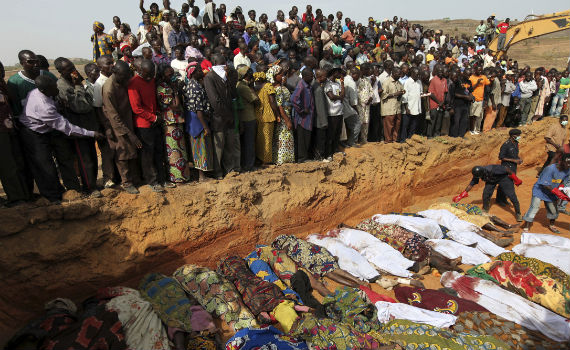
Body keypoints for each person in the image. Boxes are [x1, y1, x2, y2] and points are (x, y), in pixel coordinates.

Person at [18, 76, 102, 202]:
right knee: (44, 165)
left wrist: (58, 103)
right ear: (44, 90)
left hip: (47, 129)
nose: (57, 89)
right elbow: (67, 128)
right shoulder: (44, 107)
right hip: (33, 133)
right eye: (53, 88)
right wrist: (91, 134)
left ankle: (73, 190)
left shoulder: (37, 93)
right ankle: (53, 196)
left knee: (65, 158)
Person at [54, 57, 101, 197]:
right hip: (77, 129)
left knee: (92, 157)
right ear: (61, 71)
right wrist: (79, 86)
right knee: (84, 159)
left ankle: (92, 183)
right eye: (69, 69)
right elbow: (81, 106)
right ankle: (89, 187)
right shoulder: (62, 86)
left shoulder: (74, 82)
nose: (73, 70)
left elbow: (88, 102)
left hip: (87, 126)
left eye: (73, 67)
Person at [128, 59, 167, 192]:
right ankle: (152, 181)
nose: (150, 76)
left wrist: (156, 114)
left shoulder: (150, 80)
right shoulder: (134, 83)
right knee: (147, 154)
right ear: (140, 71)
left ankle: (162, 178)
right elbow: (136, 108)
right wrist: (153, 117)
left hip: (155, 121)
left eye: (152, 73)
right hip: (143, 124)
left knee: (158, 151)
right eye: (148, 74)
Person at [102, 61, 141, 195]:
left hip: (127, 119)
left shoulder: (122, 81)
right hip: (116, 125)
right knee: (122, 153)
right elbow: (113, 116)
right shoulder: (109, 89)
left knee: (131, 150)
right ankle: (126, 182)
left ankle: (134, 178)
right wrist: (129, 133)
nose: (127, 79)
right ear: (116, 73)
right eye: (125, 77)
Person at [0, 61, 32, 206]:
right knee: (7, 165)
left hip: (10, 128)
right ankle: (16, 198)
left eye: (1, 69)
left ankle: (24, 194)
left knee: (18, 162)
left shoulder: (3, 86)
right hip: (1, 131)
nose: (2, 73)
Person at [204, 54, 240, 178]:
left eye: (224, 63)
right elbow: (215, 101)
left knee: (230, 145)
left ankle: (230, 170)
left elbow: (233, 94)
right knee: (218, 148)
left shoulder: (226, 76)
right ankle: (218, 172)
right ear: (214, 62)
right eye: (221, 63)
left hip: (229, 118)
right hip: (219, 118)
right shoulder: (210, 78)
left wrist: (229, 78)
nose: (223, 66)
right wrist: (227, 115)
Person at [453, 164, 522, 221]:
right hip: (491, 180)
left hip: (503, 178)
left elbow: (507, 169)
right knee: (486, 194)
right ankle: (485, 208)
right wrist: (462, 194)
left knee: (511, 195)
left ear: (483, 172)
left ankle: (518, 213)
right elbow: (471, 184)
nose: (479, 178)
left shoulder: (494, 169)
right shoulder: (478, 173)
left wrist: (516, 179)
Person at [521, 153, 570, 233]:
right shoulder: (550, 169)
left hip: (552, 192)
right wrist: (557, 192)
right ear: (561, 161)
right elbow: (544, 184)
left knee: (553, 209)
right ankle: (526, 226)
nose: (568, 165)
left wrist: (562, 192)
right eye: (567, 163)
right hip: (540, 190)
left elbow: (563, 183)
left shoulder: (568, 170)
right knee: (534, 207)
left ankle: (552, 225)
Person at [157, 64, 189, 183]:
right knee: (174, 152)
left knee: (180, 150)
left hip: (176, 121)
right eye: (169, 75)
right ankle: (176, 177)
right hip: (170, 122)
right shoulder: (163, 88)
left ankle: (183, 176)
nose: (172, 77)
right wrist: (176, 91)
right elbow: (175, 106)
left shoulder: (168, 86)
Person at [185, 61, 215, 182]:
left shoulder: (195, 84)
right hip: (197, 121)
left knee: (200, 147)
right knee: (199, 148)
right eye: (198, 70)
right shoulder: (194, 87)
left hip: (197, 119)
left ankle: (204, 174)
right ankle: (201, 176)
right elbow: (198, 110)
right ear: (193, 73)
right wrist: (205, 126)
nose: (200, 72)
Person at [92, 56, 119, 189]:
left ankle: (117, 176)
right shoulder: (99, 84)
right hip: (107, 122)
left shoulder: (114, 78)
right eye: (108, 63)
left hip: (116, 120)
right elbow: (98, 108)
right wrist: (106, 127)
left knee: (118, 150)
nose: (111, 65)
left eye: (112, 62)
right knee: (108, 152)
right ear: (100, 67)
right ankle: (108, 178)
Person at [236, 66, 259, 172]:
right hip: (248, 118)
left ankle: (245, 164)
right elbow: (256, 101)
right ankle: (249, 165)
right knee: (249, 143)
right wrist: (252, 88)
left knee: (244, 143)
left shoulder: (238, 85)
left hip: (243, 118)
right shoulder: (244, 87)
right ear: (246, 75)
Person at [271, 64, 295, 165]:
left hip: (287, 113)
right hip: (284, 115)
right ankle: (282, 160)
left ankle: (287, 159)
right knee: (283, 137)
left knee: (286, 137)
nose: (283, 76)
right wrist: (287, 120)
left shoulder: (281, 87)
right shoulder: (278, 89)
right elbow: (279, 106)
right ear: (274, 76)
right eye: (280, 74)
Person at [291, 68, 314, 163]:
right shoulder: (301, 86)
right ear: (304, 77)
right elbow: (294, 99)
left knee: (307, 137)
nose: (312, 78)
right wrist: (302, 110)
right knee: (302, 139)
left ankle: (304, 157)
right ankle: (301, 158)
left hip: (308, 117)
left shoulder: (308, 85)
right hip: (302, 118)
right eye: (310, 76)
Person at [324, 67, 345, 160]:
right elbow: (331, 96)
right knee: (331, 134)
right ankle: (329, 153)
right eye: (338, 73)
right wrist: (339, 97)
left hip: (339, 111)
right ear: (334, 72)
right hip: (332, 112)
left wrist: (342, 83)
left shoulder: (337, 83)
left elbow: (343, 95)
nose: (340, 74)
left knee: (337, 133)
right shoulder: (328, 84)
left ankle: (336, 150)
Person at [381, 66, 404, 143]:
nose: (400, 75)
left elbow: (401, 91)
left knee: (396, 126)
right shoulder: (386, 82)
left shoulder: (399, 82)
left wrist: (402, 93)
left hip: (397, 108)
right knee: (389, 127)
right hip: (388, 109)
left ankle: (394, 141)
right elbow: (383, 95)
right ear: (393, 73)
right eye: (398, 74)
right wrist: (394, 94)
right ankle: (388, 142)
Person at [447, 70, 472, 137]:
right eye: (467, 75)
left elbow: (470, 91)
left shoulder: (469, 82)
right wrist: (465, 97)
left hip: (465, 105)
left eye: (469, 75)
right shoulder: (457, 81)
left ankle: (461, 136)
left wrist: (470, 97)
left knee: (464, 121)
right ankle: (454, 136)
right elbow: (454, 94)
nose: (468, 77)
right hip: (457, 105)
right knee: (456, 122)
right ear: (463, 74)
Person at [400, 67, 422, 141]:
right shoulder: (407, 82)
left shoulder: (419, 82)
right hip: (408, 108)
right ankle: (403, 140)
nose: (418, 76)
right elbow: (404, 96)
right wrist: (406, 108)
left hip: (417, 108)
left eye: (419, 74)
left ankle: (411, 139)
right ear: (412, 74)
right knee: (405, 126)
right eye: (416, 74)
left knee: (413, 126)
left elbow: (420, 93)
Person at [468, 65, 490, 134]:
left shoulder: (483, 77)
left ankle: (475, 130)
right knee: (471, 116)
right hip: (473, 100)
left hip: (480, 100)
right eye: (479, 70)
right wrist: (477, 83)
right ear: (475, 70)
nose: (480, 71)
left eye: (481, 70)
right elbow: (469, 89)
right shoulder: (471, 78)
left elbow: (488, 83)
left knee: (477, 116)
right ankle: (471, 130)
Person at [427, 65, 447, 138]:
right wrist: (439, 102)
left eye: (442, 71)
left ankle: (437, 135)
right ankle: (429, 136)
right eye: (439, 71)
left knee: (439, 121)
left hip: (442, 104)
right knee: (433, 121)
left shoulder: (445, 80)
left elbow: (445, 92)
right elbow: (431, 93)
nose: (441, 73)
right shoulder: (433, 80)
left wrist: (443, 102)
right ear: (437, 72)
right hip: (434, 104)